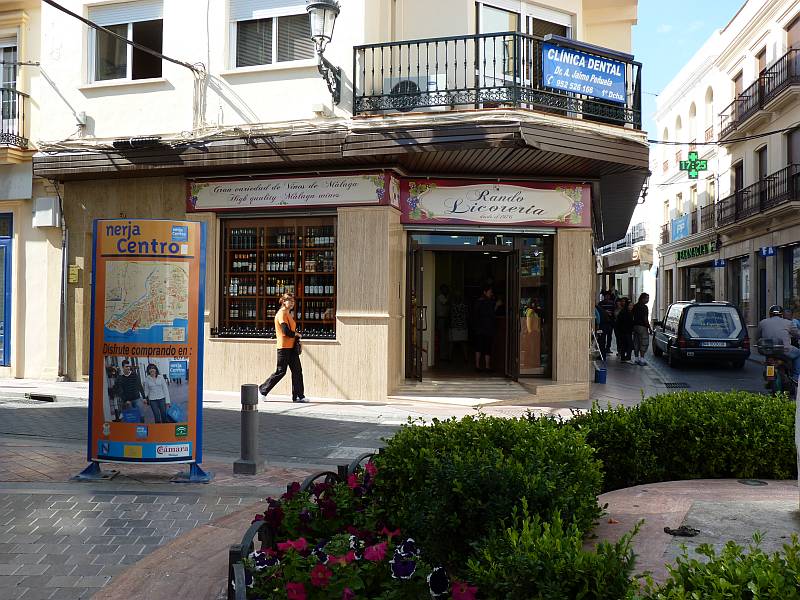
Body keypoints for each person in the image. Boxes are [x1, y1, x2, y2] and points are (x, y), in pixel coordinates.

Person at [259, 293, 306, 402]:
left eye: (293, 301)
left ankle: (299, 396)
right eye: (290, 301)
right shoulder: (281, 314)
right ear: (283, 301)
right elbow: (285, 331)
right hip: (284, 347)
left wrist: (295, 335)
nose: (292, 303)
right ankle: (262, 390)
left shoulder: (288, 314)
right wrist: (296, 334)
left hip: (291, 347)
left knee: (297, 371)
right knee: (281, 371)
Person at [758, 305, 800, 382]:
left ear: (770, 314)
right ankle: (796, 377)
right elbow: (797, 334)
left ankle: (769, 375)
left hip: (768, 350)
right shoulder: (788, 323)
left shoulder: (762, 322)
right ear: (781, 314)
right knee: (798, 354)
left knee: (769, 361)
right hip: (785, 350)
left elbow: (758, 336)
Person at [472, 285, 496, 372]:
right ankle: (487, 366)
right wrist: (496, 306)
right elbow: (491, 314)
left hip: (479, 328)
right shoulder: (489, 302)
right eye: (490, 292)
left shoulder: (478, 302)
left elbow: (475, 315)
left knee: (479, 347)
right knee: (487, 347)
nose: (491, 294)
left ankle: (477, 366)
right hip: (487, 328)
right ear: (485, 292)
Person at [631, 293, 652, 366]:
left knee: (636, 342)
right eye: (647, 298)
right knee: (643, 342)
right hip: (642, 327)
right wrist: (649, 327)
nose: (648, 300)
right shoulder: (644, 307)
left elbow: (632, 316)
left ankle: (636, 358)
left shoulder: (635, 306)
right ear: (642, 298)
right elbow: (645, 318)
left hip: (635, 326)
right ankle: (642, 359)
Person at [449, 293, 469, 364]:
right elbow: (467, 316)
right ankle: (466, 359)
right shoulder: (464, 306)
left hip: (455, 326)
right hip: (462, 327)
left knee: (452, 343)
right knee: (463, 343)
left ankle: (450, 358)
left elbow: (450, 316)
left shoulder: (452, 306)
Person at [614, 297, 634, 362]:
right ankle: (627, 358)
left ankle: (623, 358)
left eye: (632, 305)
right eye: (630, 305)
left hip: (625, 331)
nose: (631, 307)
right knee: (628, 345)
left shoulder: (628, 312)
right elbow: (621, 322)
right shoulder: (625, 313)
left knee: (625, 344)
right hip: (625, 331)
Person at [597, 291, 616, 356]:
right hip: (603, 322)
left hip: (610, 322)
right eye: (606, 296)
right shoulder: (600, 303)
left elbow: (614, 311)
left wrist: (611, 314)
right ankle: (603, 348)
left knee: (609, 335)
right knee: (603, 336)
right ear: (604, 296)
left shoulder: (612, 303)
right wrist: (605, 312)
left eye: (608, 296)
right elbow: (599, 311)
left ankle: (608, 348)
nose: (607, 297)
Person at [436, 284, 451, 361]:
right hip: (441, 319)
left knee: (445, 337)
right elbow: (446, 303)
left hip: (444, 318)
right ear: (441, 290)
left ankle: (444, 354)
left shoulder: (443, 297)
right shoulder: (441, 297)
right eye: (445, 289)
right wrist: (449, 297)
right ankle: (442, 355)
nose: (446, 290)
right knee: (442, 337)